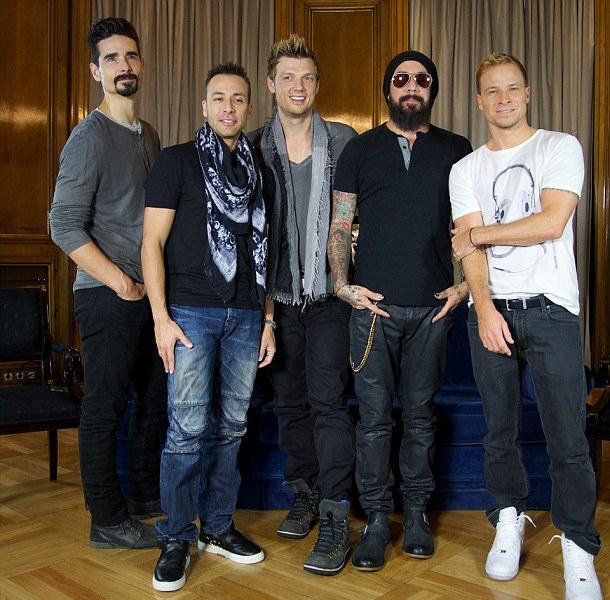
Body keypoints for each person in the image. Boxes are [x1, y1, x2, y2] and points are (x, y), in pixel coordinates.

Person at [449, 53, 602, 600]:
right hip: (492, 311)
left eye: (512, 88)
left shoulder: (559, 147)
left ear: (528, 93)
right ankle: (507, 519)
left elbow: (552, 222)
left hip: (551, 309)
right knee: (500, 430)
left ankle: (579, 545)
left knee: (568, 436)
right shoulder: (465, 169)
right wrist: (484, 308)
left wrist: (479, 234)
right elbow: (468, 253)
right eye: (492, 91)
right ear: (479, 101)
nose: (503, 99)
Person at [328, 50, 471, 572]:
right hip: (373, 312)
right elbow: (340, 224)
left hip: (433, 312)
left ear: (433, 89)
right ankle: (374, 521)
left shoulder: (457, 149)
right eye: (401, 79)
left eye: (422, 79)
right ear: (387, 89)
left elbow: (467, 226)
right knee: (372, 422)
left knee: (421, 418)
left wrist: (464, 287)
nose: (412, 86)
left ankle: (415, 515)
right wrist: (341, 285)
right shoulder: (360, 150)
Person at [142, 63, 274, 592]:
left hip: (246, 314)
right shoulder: (176, 162)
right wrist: (161, 319)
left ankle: (217, 527)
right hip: (190, 313)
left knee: (233, 426)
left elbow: (266, 253)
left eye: (238, 99)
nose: (228, 107)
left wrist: (268, 319)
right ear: (204, 107)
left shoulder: (259, 171)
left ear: (249, 107)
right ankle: (176, 536)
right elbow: (151, 243)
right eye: (218, 98)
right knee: (187, 429)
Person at [49, 17, 165, 549]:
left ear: (141, 64)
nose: (124, 65)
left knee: (153, 401)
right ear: (96, 71)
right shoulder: (87, 138)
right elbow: (63, 225)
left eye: (131, 56)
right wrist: (119, 282)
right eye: (112, 58)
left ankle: (143, 499)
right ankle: (106, 520)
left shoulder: (149, 135)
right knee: (105, 406)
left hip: (148, 295)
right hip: (106, 295)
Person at [249, 34, 357, 576]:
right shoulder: (253, 147)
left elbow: (356, 212)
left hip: (329, 295)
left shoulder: (342, 140)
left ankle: (336, 514)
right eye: (288, 77)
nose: (298, 86)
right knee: (289, 404)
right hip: (277, 300)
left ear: (317, 85)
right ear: (271, 84)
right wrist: (265, 315)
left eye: (307, 77)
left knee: (328, 402)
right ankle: (306, 493)